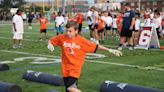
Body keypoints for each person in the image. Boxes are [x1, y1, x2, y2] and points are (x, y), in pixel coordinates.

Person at [47, 21, 122, 92]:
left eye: (70, 31)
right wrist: (49, 44)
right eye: (66, 30)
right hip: (65, 69)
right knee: (69, 89)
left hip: (75, 68)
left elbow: (95, 46)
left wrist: (109, 50)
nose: (67, 33)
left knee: (70, 88)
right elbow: (52, 40)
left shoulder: (82, 41)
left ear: (76, 31)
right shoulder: (62, 37)